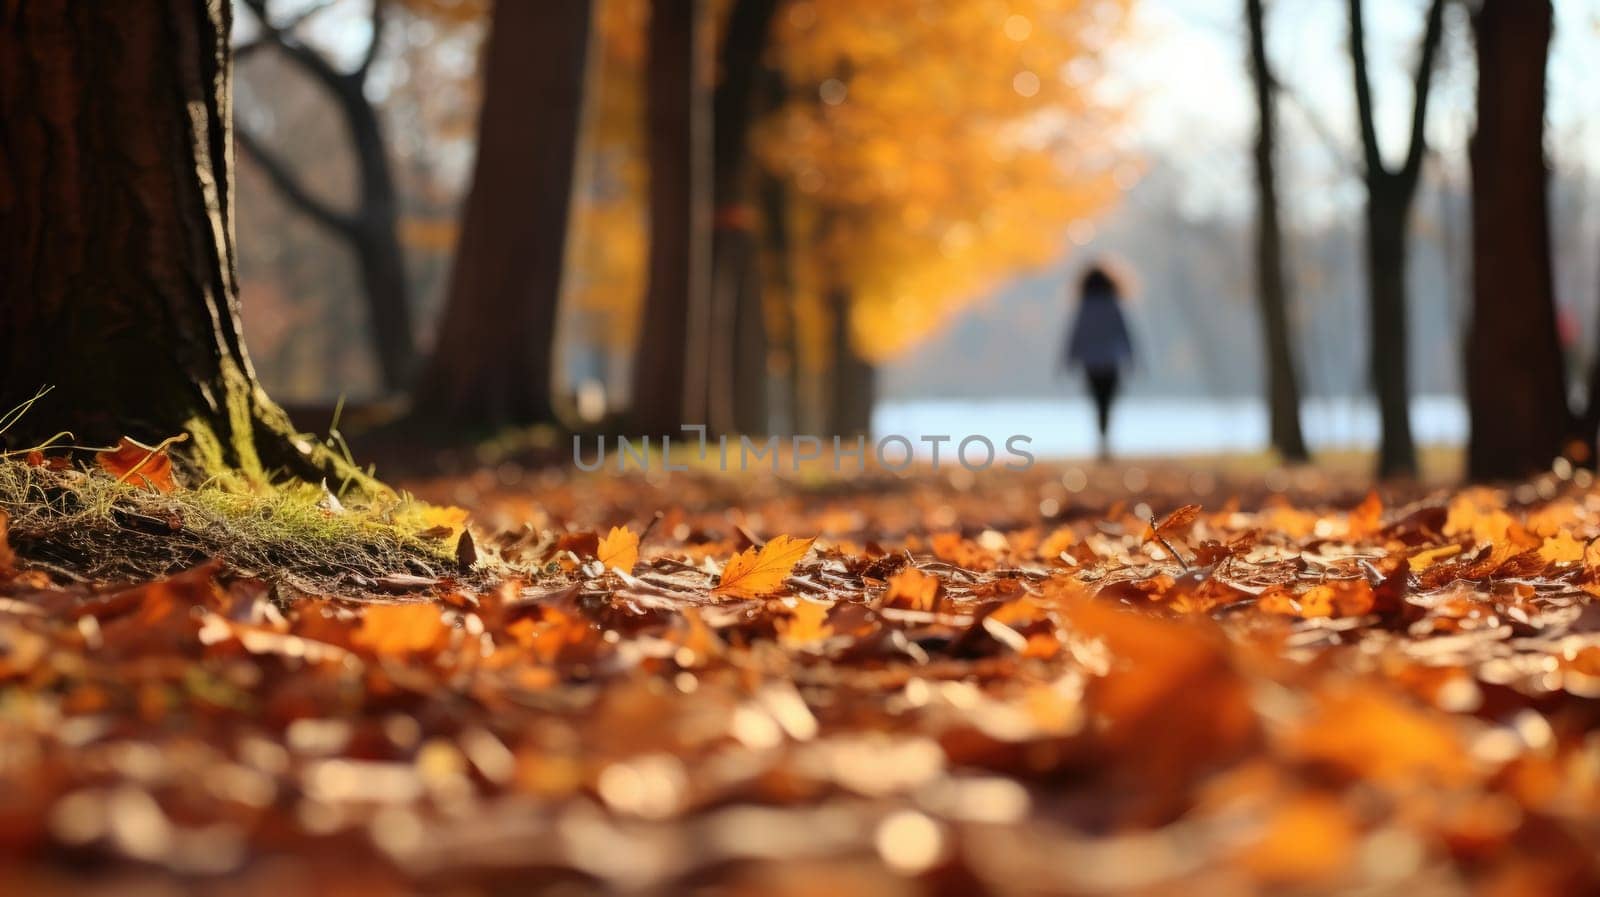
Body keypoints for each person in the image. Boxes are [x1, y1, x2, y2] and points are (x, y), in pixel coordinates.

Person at [1061, 264, 1135, 460]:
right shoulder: (1113, 304)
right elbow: (1125, 333)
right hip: (1111, 362)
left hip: (1091, 363)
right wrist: (1132, 358)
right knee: (1107, 402)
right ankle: (1105, 441)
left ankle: (1102, 441)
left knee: (1097, 402)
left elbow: (1075, 335)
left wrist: (1068, 360)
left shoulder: (1085, 306)